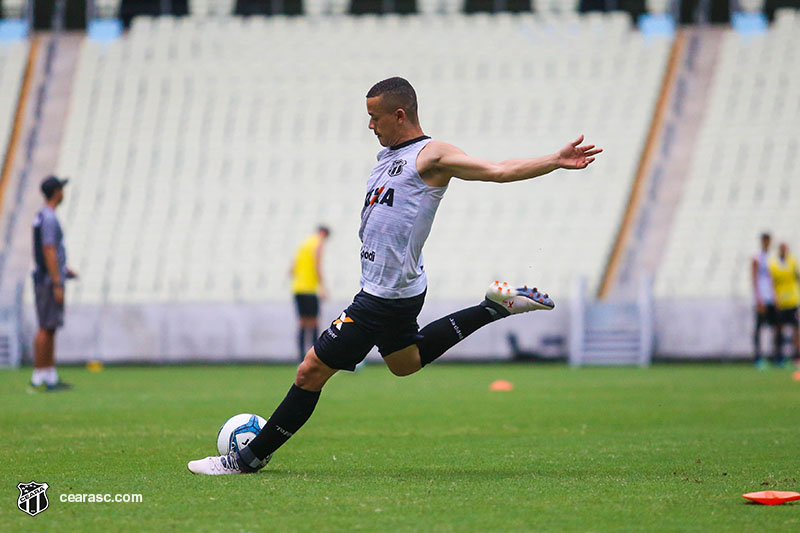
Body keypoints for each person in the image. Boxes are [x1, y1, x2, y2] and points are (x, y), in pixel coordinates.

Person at [188, 77, 601, 474]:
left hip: (382, 297)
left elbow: (496, 169)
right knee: (405, 362)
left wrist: (554, 160)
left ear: (399, 115)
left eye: (375, 117)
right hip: (395, 288)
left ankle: (245, 460)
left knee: (310, 371)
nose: (370, 125)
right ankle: (493, 308)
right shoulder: (388, 159)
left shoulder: (431, 156)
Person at [30, 176, 78, 391]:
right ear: (56, 192)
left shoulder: (41, 216)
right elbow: (49, 248)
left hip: (47, 276)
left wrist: (63, 269)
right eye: (61, 189)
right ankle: (39, 376)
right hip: (49, 279)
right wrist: (57, 281)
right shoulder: (49, 218)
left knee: (50, 327)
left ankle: (48, 374)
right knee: (45, 327)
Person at [290, 226, 330, 360]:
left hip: (298, 288)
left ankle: (301, 357)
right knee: (314, 323)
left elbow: (292, 268)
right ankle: (314, 357)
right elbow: (317, 266)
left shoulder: (304, 244)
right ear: (323, 233)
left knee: (302, 322)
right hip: (310, 289)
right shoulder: (317, 244)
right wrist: (322, 287)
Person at [769, 242, 800, 366]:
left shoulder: (792, 262)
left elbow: (797, 278)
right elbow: (772, 282)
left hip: (793, 300)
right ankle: (779, 356)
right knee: (779, 329)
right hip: (780, 301)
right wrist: (774, 299)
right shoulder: (774, 264)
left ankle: (796, 356)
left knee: (796, 329)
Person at [751, 232, 777, 369]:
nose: (767, 243)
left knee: (775, 327)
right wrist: (758, 298)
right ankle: (758, 358)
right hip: (761, 298)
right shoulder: (757, 257)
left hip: (772, 297)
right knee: (759, 328)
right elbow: (754, 278)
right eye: (765, 241)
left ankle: (775, 357)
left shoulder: (772, 258)